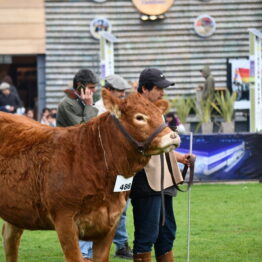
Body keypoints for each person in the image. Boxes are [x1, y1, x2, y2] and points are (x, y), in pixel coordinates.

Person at [130, 68, 194, 262]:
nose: (163, 92)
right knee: (147, 234)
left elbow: (162, 145)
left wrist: (180, 157)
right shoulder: (133, 112)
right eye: (159, 88)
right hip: (145, 180)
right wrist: (171, 138)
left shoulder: (156, 111)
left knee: (166, 234)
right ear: (144, 89)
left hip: (164, 178)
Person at [79, 74, 133, 260]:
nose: (123, 95)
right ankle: (85, 252)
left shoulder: (123, 109)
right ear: (108, 91)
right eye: (120, 92)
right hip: (101, 171)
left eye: (125, 92)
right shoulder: (96, 109)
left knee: (122, 207)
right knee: (93, 210)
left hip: (123, 168)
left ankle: (121, 245)